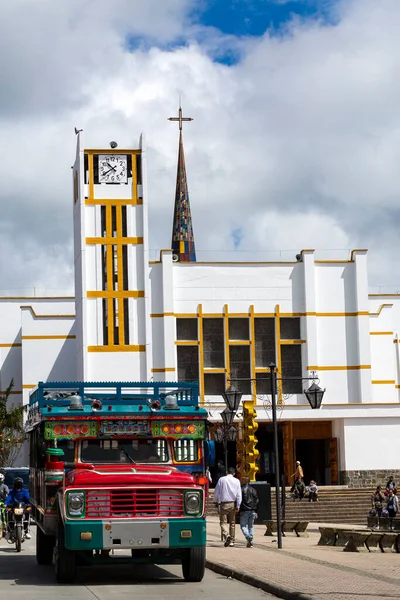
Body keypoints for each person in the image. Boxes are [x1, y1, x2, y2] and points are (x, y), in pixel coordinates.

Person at [213, 466, 242, 547]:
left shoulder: (221, 479)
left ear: (226, 472)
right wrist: (238, 505)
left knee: (223, 522)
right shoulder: (237, 481)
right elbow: (239, 494)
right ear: (234, 473)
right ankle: (232, 540)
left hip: (223, 503)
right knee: (232, 522)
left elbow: (216, 492)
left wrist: (215, 501)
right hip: (232, 503)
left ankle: (226, 535)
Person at [239, 476, 259, 548]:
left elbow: (239, 500)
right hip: (253, 510)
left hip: (244, 510)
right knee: (251, 526)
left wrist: (238, 507)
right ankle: (251, 541)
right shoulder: (253, 489)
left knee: (243, 526)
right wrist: (256, 511)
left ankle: (248, 536)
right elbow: (257, 500)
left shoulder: (241, 490)